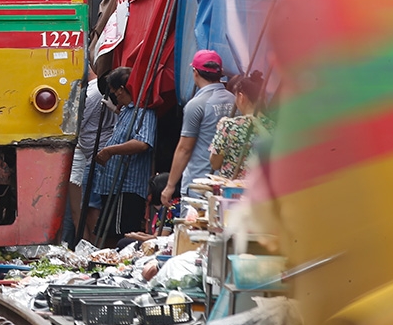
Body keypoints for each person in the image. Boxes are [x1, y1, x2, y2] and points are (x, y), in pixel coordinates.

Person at [90, 67, 157, 243]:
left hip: (126, 186)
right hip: (113, 185)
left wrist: (109, 151)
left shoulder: (143, 111)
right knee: (108, 232)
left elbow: (143, 143)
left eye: (114, 91)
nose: (114, 95)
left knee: (120, 236)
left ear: (121, 89)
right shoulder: (127, 110)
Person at [162, 50, 235, 206]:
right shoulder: (235, 101)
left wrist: (170, 186)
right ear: (220, 73)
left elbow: (184, 149)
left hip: (199, 183)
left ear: (195, 72)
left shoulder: (196, 105)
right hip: (228, 182)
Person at [66, 68, 116, 245]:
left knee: (87, 205)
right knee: (84, 204)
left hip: (94, 154)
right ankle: (85, 242)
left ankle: (89, 243)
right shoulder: (93, 90)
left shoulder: (92, 92)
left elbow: (74, 125)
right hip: (88, 151)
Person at [209, 71, 273, 180]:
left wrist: (220, 129)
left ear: (241, 96)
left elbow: (215, 163)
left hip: (231, 190)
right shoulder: (273, 127)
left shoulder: (229, 125)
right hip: (261, 189)